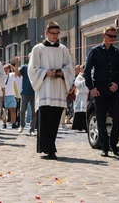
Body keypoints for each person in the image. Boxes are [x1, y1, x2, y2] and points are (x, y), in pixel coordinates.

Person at [28, 21, 74, 160]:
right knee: (45, 120)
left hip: (58, 89)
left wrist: (61, 72)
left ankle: (51, 147)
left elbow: (70, 68)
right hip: (44, 90)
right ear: (46, 33)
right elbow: (33, 69)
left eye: (57, 33)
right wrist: (45, 73)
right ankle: (47, 148)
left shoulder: (63, 49)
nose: (55, 36)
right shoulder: (38, 49)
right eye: (52, 33)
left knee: (55, 121)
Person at [84, 26, 119, 157]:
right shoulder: (95, 51)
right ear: (104, 35)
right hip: (99, 89)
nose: (112, 39)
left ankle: (114, 145)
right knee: (101, 119)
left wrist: (117, 83)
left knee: (116, 118)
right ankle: (104, 147)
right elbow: (87, 71)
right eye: (110, 36)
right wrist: (91, 88)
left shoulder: (117, 52)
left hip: (113, 89)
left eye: (115, 36)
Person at [15, 55, 37, 136]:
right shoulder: (25, 67)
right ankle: (22, 125)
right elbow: (17, 74)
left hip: (34, 92)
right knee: (22, 110)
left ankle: (32, 129)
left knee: (34, 112)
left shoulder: (37, 67)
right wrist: (17, 63)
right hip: (25, 92)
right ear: (29, 58)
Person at [72, 64, 88, 131]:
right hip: (80, 95)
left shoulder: (87, 75)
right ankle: (78, 126)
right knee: (79, 110)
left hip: (86, 95)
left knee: (84, 111)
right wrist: (84, 82)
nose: (81, 70)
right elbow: (76, 83)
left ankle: (84, 126)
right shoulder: (79, 76)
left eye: (82, 68)